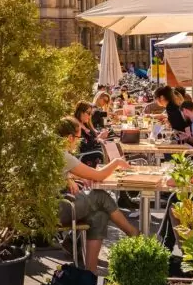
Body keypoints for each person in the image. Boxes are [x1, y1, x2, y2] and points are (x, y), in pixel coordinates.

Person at [56, 116, 139, 271]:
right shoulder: (64, 156)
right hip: (60, 208)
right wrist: (116, 163)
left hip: (58, 206)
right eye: (78, 138)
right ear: (69, 137)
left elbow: (59, 173)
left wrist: (69, 177)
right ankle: (133, 233)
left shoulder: (54, 152)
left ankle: (90, 272)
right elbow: (99, 176)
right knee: (101, 196)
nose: (78, 142)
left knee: (100, 216)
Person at [75, 101, 108, 166]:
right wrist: (99, 139)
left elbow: (91, 139)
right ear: (81, 112)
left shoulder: (85, 124)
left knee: (113, 148)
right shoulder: (76, 126)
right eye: (88, 113)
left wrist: (99, 137)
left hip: (93, 152)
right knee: (108, 153)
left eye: (91, 113)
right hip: (87, 156)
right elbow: (83, 145)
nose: (90, 116)